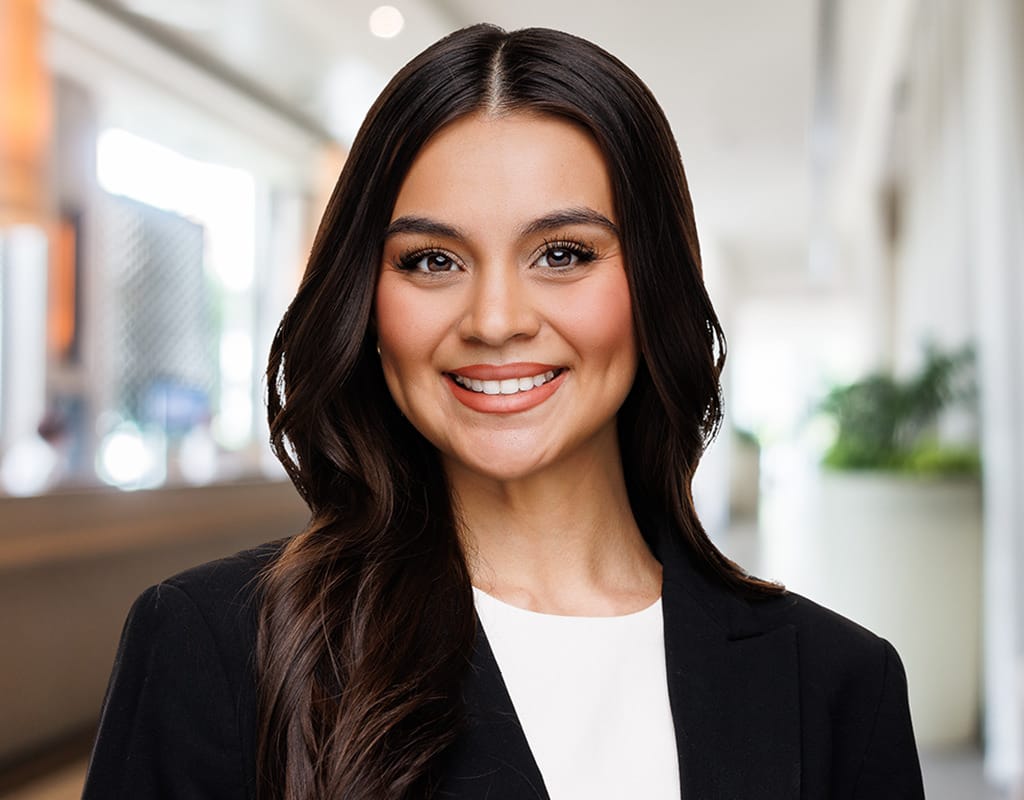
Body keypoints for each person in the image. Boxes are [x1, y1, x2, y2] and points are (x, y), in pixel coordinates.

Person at [83, 24, 925, 800]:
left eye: (563, 254)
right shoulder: (213, 648)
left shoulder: (838, 684)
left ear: (654, 286)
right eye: (432, 260)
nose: (494, 320)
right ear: (366, 304)